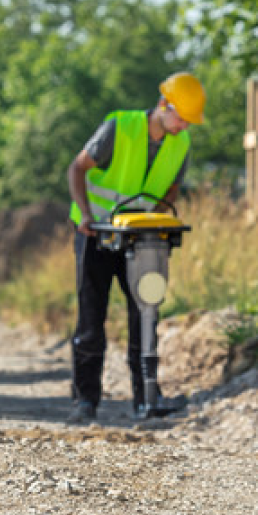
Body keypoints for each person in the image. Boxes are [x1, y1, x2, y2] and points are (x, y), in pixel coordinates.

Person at [64, 72, 206, 425]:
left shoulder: (181, 143)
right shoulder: (120, 127)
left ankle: (147, 398)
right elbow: (77, 169)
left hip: (141, 238)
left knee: (145, 314)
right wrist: (83, 214)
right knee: (91, 317)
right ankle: (86, 401)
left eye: (189, 121)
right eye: (180, 117)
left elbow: (172, 188)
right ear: (163, 105)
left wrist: (158, 213)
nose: (184, 126)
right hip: (96, 234)